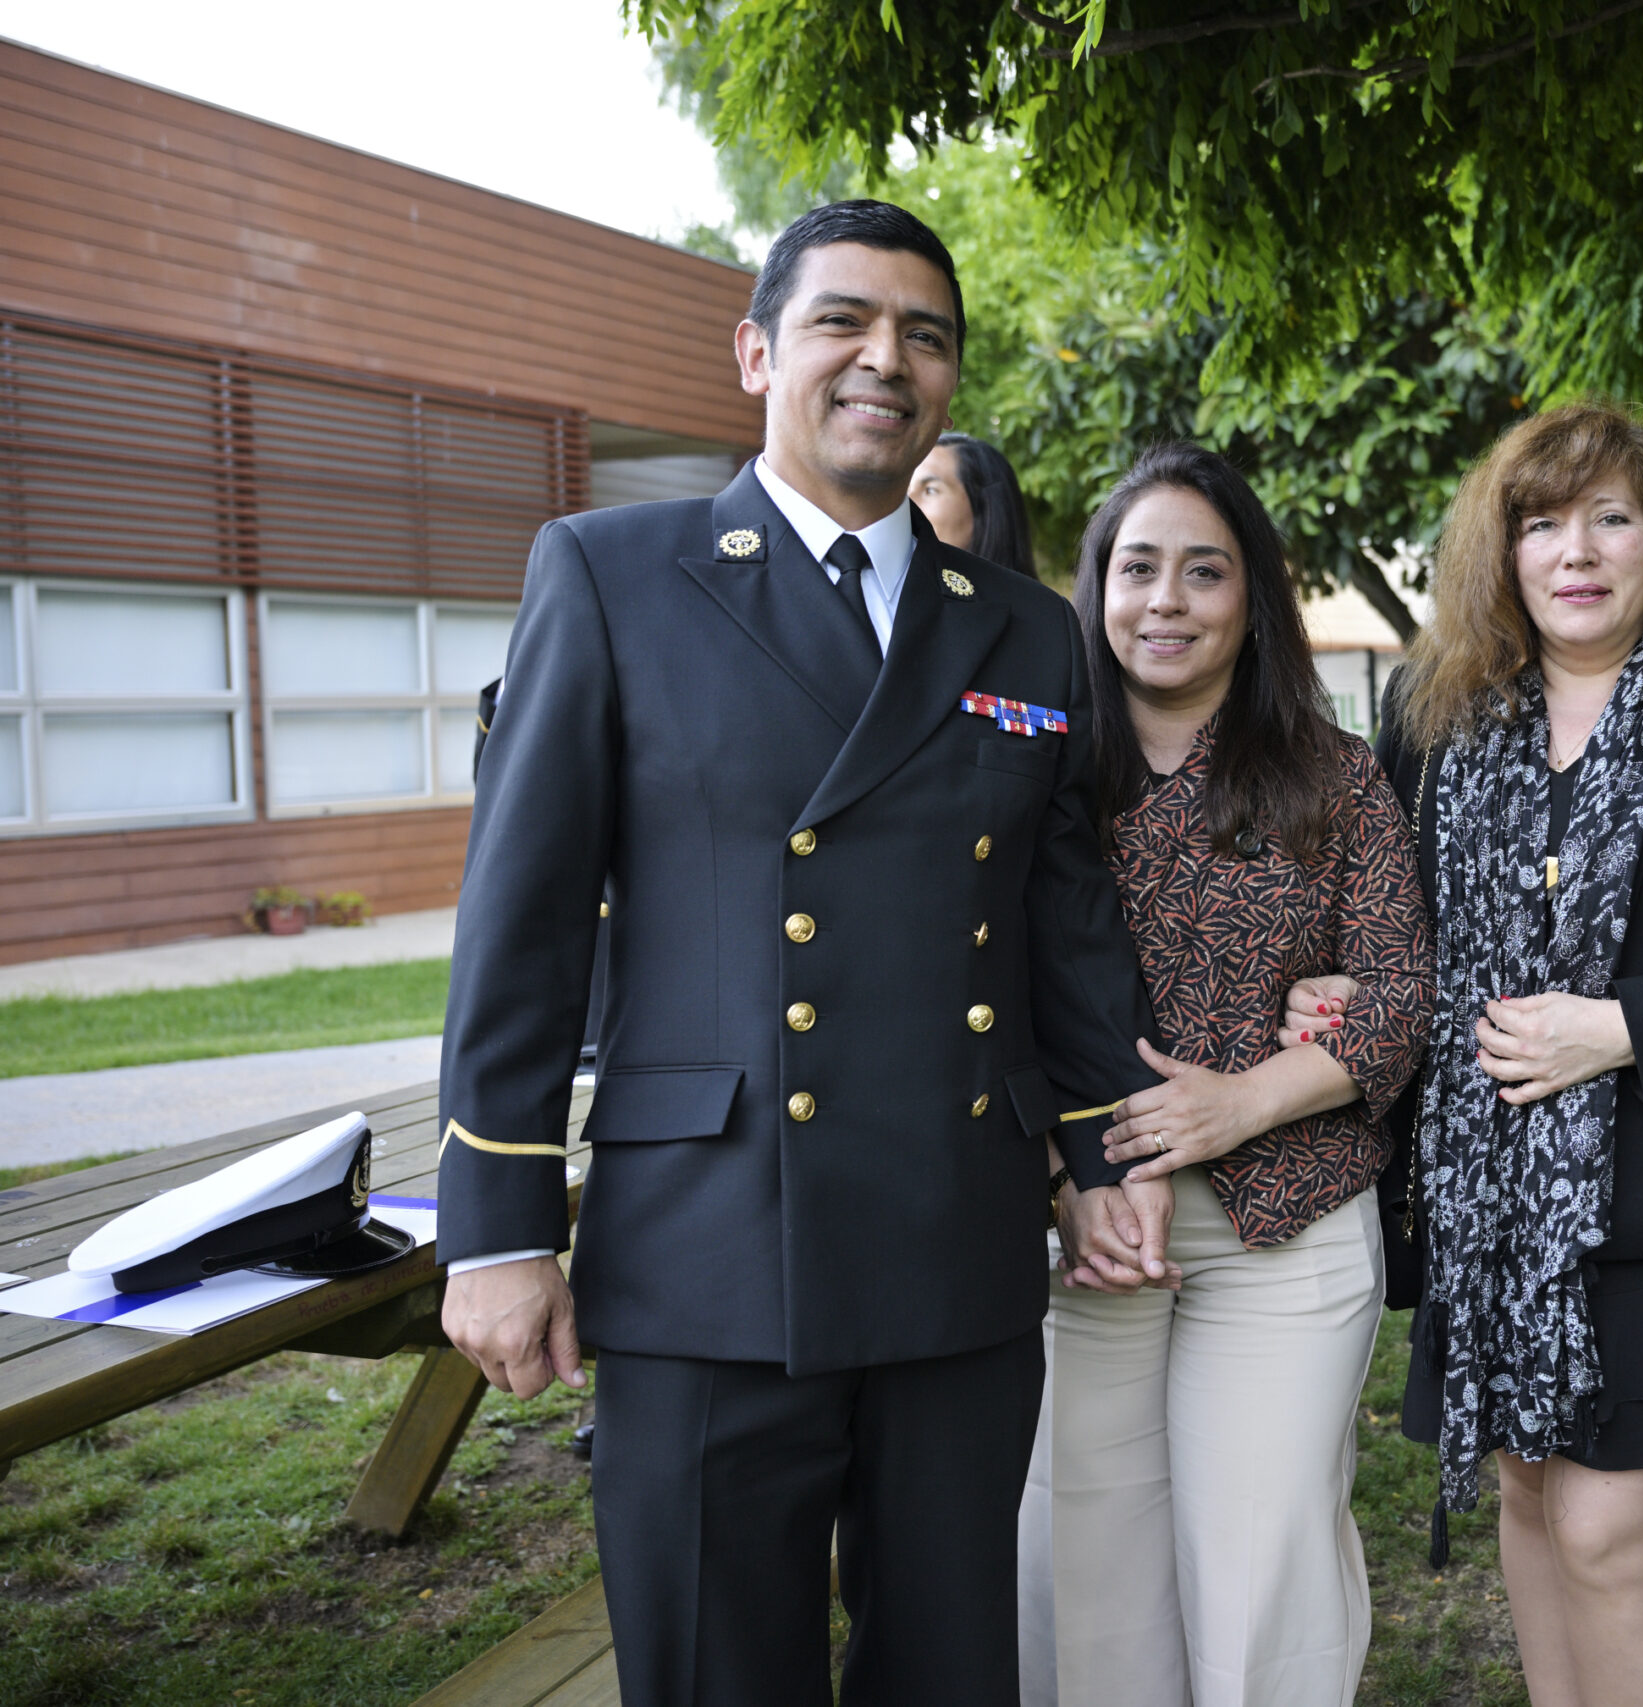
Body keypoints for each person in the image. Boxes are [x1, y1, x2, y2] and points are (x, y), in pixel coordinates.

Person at [436, 198, 1175, 1707]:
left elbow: (1063, 916)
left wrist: (1104, 1149)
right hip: (709, 1245)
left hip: (955, 1241)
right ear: (758, 352)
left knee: (946, 1670)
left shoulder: (1025, 627)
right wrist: (497, 1226)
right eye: (844, 320)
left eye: (925, 336)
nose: (885, 359)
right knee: (719, 1669)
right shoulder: (613, 573)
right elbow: (522, 922)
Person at [1290, 402, 1643, 1706]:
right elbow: (1395, 929)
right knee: (1526, 1501)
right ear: (1504, 549)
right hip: (1485, 1205)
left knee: (1602, 1527)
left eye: (1611, 518)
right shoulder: (1436, 714)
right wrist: (1346, 978)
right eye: (1540, 523)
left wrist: (1623, 1025)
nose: (1574, 551)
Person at [1019, 442, 1432, 1707]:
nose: (1166, 600)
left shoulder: (1334, 774)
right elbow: (976, 989)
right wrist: (1064, 1176)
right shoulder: (1032, 766)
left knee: (1263, 1571)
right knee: (1081, 1564)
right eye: (1137, 568)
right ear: (1094, 588)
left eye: (1205, 572)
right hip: (1089, 1224)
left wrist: (1242, 1100)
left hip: (1285, 1229)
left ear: (1253, 598)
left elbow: (1401, 996)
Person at [910, 429, 1040, 578]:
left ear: (987, 508)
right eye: (904, 490)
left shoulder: (1030, 595)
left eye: (930, 490)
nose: (905, 502)